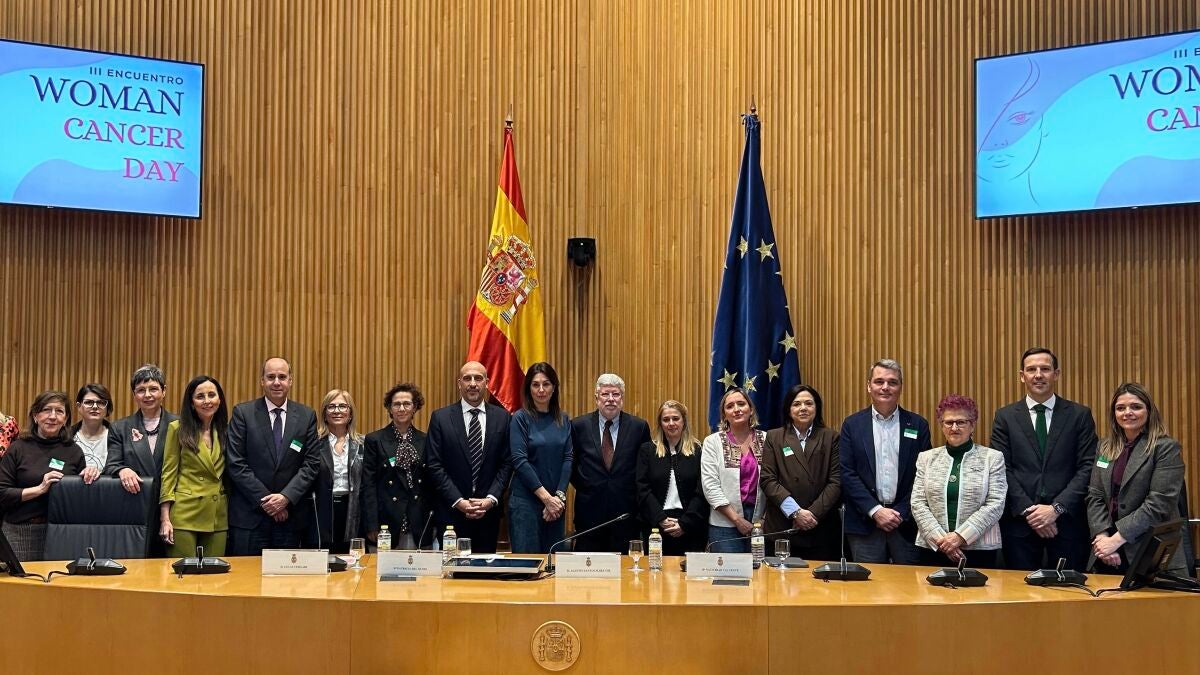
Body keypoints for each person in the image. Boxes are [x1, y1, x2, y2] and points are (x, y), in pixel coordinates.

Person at [991, 348, 1097, 571]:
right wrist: (1031, 512)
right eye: (1031, 369)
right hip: (1020, 526)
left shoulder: (1079, 415)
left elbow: (1088, 466)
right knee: (1018, 590)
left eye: (1045, 369)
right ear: (1022, 376)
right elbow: (1001, 469)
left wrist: (1055, 509)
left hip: (1068, 525)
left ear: (1056, 374)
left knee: (1069, 589)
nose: (1038, 375)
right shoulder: (1005, 417)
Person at [1086, 383, 1188, 575]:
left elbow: (1159, 504)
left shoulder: (1166, 448)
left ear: (1149, 411)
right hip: (1107, 553)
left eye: (1136, 407)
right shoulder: (1105, 448)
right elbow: (1095, 495)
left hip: (1149, 551)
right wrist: (1102, 537)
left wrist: (1116, 540)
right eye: (1120, 408)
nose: (1127, 413)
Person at [225, 357, 321, 555]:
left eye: (282, 377)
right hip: (250, 518)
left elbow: (311, 464)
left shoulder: (306, 416)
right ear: (262, 381)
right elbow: (236, 463)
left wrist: (285, 498)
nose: (276, 382)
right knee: (246, 575)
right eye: (271, 377)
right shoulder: (243, 413)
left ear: (290, 381)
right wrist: (269, 502)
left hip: (290, 519)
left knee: (286, 575)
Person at [839, 359, 930, 565]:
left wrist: (901, 512)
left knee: (909, 583)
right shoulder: (852, 425)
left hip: (906, 523)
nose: (885, 387)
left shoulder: (918, 424)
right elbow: (847, 473)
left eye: (892, 382)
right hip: (864, 522)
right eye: (879, 381)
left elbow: (923, 475)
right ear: (868, 386)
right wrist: (875, 510)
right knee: (869, 583)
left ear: (901, 387)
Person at [425, 361, 513, 554]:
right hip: (451, 513)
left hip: (487, 514)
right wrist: (459, 501)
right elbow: (434, 465)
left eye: (478, 378)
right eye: (467, 378)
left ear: (487, 383)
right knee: (451, 570)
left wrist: (490, 499)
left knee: (484, 571)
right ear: (459, 383)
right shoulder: (440, 418)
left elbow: (507, 464)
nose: (473, 383)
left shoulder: (503, 418)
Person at [910, 395, 1007, 569]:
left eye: (961, 422)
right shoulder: (926, 458)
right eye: (949, 422)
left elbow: (995, 503)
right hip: (933, 547)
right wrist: (942, 541)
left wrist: (960, 537)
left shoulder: (992, 458)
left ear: (972, 425)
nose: (954, 428)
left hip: (979, 550)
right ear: (942, 425)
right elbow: (918, 503)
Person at [0, 391, 86, 560]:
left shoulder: (74, 451)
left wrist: (89, 475)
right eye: (46, 410)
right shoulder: (18, 448)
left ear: (66, 419)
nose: (52, 416)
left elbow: (80, 498)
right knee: (22, 578)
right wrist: (39, 489)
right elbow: (2, 493)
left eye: (59, 411)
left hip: (62, 533)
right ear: (35, 415)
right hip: (20, 531)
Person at [570, 373, 651, 553]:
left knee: (626, 569)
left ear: (622, 398)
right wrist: (588, 485)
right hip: (589, 514)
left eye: (616, 394)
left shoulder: (639, 427)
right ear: (596, 398)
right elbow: (571, 465)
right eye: (605, 394)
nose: (611, 399)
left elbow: (645, 470)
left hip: (626, 515)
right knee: (588, 567)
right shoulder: (578, 425)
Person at [760, 385, 842, 562]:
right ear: (788, 409)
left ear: (816, 407)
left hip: (820, 527)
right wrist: (796, 512)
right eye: (796, 404)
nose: (803, 408)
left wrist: (812, 514)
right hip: (783, 527)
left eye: (808, 403)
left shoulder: (831, 438)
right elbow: (768, 480)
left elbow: (836, 482)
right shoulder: (774, 437)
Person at [105, 364, 178, 557]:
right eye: (141, 390)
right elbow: (111, 465)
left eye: (153, 389)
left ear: (164, 391)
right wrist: (122, 470)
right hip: (134, 509)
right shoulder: (120, 427)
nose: (147, 395)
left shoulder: (179, 425)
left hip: (173, 508)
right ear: (134, 394)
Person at [159, 376, 229, 557]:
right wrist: (165, 518)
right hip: (185, 513)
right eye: (200, 396)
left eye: (211, 395)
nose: (207, 401)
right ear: (191, 403)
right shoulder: (177, 428)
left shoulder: (227, 430)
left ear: (220, 399)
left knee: (215, 573)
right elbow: (168, 474)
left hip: (217, 514)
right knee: (184, 572)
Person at [507, 363, 573, 554]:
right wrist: (546, 499)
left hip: (555, 505)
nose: (541, 390)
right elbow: (520, 461)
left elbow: (568, 458)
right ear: (529, 388)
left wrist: (558, 497)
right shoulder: (520, 418)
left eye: (546, 384)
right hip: (525, 503)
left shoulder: (563, 419)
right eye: (535, 384)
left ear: (554, 387)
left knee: (554, 563)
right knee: (527, 565)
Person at [363, 383, 434, 550]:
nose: (401, 409)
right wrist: (371, 524)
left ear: (415, 408)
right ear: (390, 408)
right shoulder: (375, 440)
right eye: (396, 404)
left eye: (407, 404)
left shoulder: (426, 440)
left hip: (418, 520)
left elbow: (431, 485)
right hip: (386, 521)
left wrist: (433, 520)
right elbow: (368, 485)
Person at [635, 400, 708, 555]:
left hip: (691, 526)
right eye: (666, 419)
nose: (671, 423)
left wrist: (685, 523)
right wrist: (660, 518)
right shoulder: (647, 450)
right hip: (656, 526)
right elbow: (642, 489)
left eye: (676, 418)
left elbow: (702, 490)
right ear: (660, 423)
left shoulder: (698, 450)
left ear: (684, 421)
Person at [701, 388, 766, 553]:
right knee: (729, 570)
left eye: (741, 404)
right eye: (730, 406)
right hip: (724, 523)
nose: (736, 409)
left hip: (760, 522)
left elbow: (774, 481)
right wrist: (737, 519)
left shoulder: (767, 439)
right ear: (724, 415)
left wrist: (765, 519)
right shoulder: (712, 442)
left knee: (760, 569)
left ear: (751, 410)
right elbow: (710, 486)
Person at [307, 389, 367, 554]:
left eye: (342, 406)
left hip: (354, 511)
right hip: (321, 511)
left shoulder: (364, 444)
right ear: (324, 413)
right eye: (331, 406)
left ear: (350, 413)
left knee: (352, 560)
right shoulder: (313, 443)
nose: (337, 411)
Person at [72, 383, 114, 484]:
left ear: (107, 407)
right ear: (79, 406)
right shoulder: (66, 436)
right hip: (73, 490)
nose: (95, 407)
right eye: (89, 402)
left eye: (101, 403)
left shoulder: (118, 436)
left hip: (108, 490)